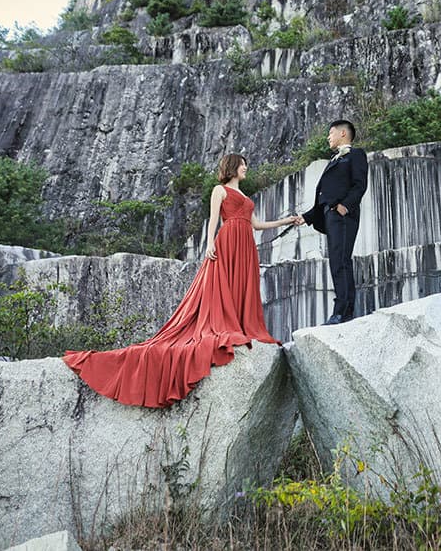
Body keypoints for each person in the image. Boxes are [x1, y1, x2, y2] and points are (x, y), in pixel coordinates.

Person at [63, 154, 299, 408]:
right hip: (228, 241)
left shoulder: (244, 196)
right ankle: (228, 324)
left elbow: (257, 225)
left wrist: (286, 220)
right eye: (243, 164)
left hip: (246, 246)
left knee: (244, 288)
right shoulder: (219, 190)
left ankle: (243, 325)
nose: (246, 168)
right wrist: (209, 244)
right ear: (232, 167)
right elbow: (214, 219)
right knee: (224, 287)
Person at [296, 120, 368, 325]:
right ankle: (342, 310)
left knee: (340, 261)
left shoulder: (355, 155)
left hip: (342, 215)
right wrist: (306, 217)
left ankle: (343, 312)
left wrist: (345, 206)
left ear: (343, 133)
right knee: (337, 261)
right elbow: (325, 197)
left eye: (331, 133)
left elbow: (360, 184)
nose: (328, 137)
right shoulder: (335, 160)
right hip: (331, 216)